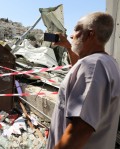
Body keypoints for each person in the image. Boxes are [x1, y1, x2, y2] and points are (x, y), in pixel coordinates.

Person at [46, 12, 120, 149]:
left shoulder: (94, 66)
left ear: (90, 34)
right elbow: (79, 78)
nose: (71, 35)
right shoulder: (105, 62)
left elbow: (79, 131)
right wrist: (69, 47)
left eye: (77, 29)